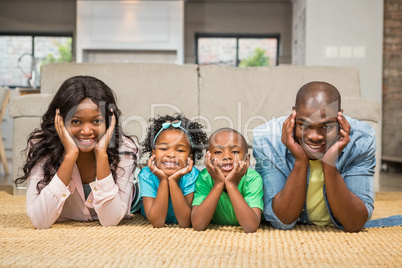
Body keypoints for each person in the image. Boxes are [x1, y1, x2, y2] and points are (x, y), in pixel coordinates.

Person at [15, 75, 140, 229]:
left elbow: (110, 221)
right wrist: (70, 156)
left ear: (108, 121)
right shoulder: (42, 147)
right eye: (76, 121)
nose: (86, 131)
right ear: (59, 120)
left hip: (135, 192)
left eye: (96, 121)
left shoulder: (126, 149)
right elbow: (40, 221)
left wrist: (101, 154)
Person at [253, 81, 376, 232]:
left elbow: (355, 223)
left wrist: (329, 164)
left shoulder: (361, 139)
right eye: (304, 125)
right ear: (294, 114)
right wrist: (300, 161)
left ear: (339, 117)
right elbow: (282, 220)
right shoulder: (267, 140)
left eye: (326, 126)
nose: (315, 136)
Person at [139, 114, 208, 228]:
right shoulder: (147, 175)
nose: (171, 154)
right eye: (163, 148)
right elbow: (157, 222)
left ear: (189, 157)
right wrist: (162, 180)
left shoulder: (192, 176)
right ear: (154, 153)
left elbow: (185, 222)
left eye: (180, 150)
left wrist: (173, 181)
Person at [191, 128, 264, 233]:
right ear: (207, 158)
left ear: (247, 160)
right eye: (218, 152)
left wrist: (231, 184)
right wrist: (218, 184)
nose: (226, 156)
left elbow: (251, 227)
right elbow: (198, 224)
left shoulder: (253, 179)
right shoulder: (204, 178)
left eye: (234, 151)